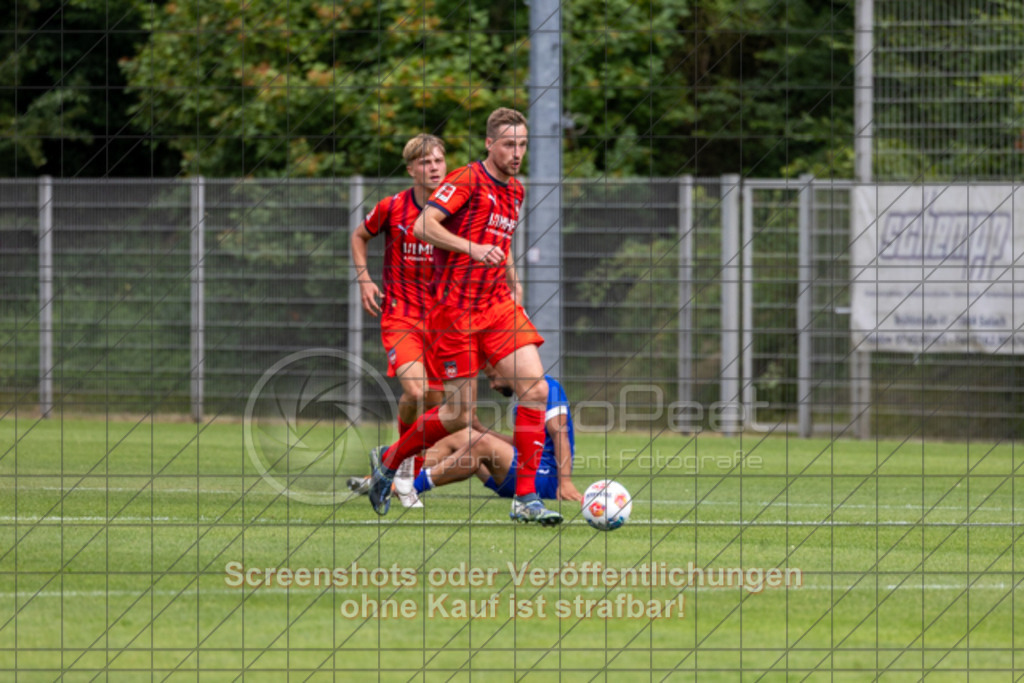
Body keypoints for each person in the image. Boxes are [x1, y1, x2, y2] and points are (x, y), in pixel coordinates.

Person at [367, 107, 563, 525]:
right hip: (455, 311)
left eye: (523, 144)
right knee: (457, 415)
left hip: (497, 306)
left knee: (536, 390)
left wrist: (514, 283)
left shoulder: (516, 190)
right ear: (489, 144)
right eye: (508, 144)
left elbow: (501, 243)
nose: (517, 153)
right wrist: (471, 249)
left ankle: (525, 498)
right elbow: (424, 226)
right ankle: (391, 460)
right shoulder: (466, 179)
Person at [349, 133, 447, 507]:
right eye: (425, 162)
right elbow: (359, 236)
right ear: (411, 170)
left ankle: (397, 469)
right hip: (401, 314)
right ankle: (400, 472)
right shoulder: (392, 207)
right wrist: (364, 279)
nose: (434, 168)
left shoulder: (457, 208)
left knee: (435, 406)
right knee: (418, 392)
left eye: (438, 160)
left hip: (443, 320)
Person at [412, 368, 584, 504]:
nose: (492, 385)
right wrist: (480, 429)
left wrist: (565, 483)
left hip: (546, 480)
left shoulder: (548, 388)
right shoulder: (525, 398)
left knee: (481, 443)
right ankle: (407, 474)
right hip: (525, 473)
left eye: (493, 377)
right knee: (459, 434)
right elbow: (521, 446)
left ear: (507, 367)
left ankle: (414, 486)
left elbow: (560, 436)